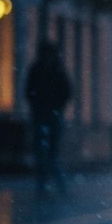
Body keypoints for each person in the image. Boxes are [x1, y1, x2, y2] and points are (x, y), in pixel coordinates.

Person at [25, 41, 72, 194]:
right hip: (43, 116)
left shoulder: (53, 71)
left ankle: (55, 185)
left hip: (50, 116)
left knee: (50, 153)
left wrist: (55, 106)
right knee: (44, 153)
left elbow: (66, 92)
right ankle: (47, 185)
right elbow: (29, 92)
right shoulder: (43, 70)